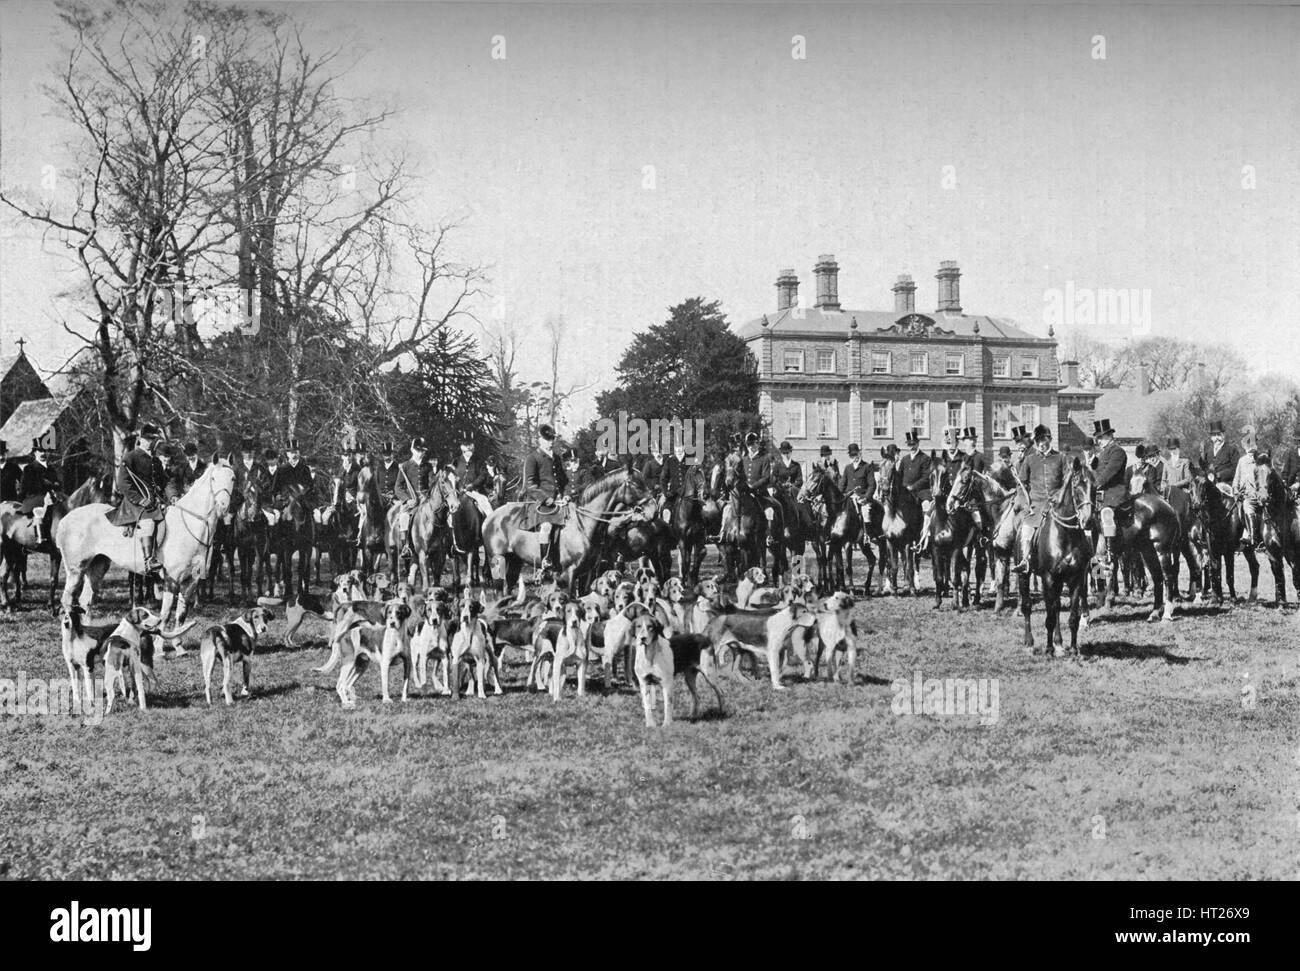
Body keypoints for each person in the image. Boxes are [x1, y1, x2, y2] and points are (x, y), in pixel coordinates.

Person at [108, 424, 167, 570]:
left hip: (154, 502)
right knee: (148, 523)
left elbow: (164, 482)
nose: (150, 442)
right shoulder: (130, 457)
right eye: (147, 439)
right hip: (135, 503)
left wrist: (172, 497)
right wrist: (140, 499)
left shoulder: (156, 461)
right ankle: (149, 560)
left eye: (153, 440)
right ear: (141, 439)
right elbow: (123, 484)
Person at [1012, 424, 1066, 573]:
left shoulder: (1061, 458)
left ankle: (1088, 565)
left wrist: (1060, 498)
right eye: (1038, 441)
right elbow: (1021, 484)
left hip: (1057, 506)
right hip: (1036, 506)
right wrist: (1024, 502)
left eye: (1044, 440)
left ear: (1050, 439)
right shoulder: (1030, 460)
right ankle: (1025, 561)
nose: (1041, 444)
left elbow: (1067, 482)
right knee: (1026, 531)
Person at [523, 423, 568, 578]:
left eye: (552, 439)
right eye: (547, 439)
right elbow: (529, 485)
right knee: (547, 527)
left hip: (559, 501)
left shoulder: (556, 457)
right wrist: (547, 499)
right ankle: (545, 563)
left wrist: (565, 494)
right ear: (539, 440)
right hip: (541, 503)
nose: (550, 442)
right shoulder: (533, 458)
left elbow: (563, 480)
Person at [1092, 418, 1128, 562]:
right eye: (1098, 438)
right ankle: (1098, 580)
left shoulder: (1118, 452)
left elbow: (1108, 473)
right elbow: (1098, 471)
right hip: (1100, 495)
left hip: (1114, 494)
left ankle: (1109, 551)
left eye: (1100, 438)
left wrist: (1094, 486)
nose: (1098, 441)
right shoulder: (1103, 452)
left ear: (1109, 436)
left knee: (1107, 514)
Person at [394, 437, 430, 556]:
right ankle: (406, 546)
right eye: (418, 450)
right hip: (411, 501)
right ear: (412, 450)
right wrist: (407, 499)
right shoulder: (405, 466)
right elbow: (398, 487)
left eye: (422, 451)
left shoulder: (428, 466)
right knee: (404, 517)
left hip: (426, 500)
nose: (420, 453)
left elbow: (432, 483)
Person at [898, 431, 932, 550]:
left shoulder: (925, 458)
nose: (911, 447)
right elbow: (899, 475)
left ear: (918, 443)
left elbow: (926, 477)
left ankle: (925, 534)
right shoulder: (904, 459)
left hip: (921, 492)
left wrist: (913, 487)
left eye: (913, 444)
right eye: (909, 444)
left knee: (926, 507)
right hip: (905, 492)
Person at [1232, 427, 1264, 549]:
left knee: (1248, 506)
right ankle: (1243, 535)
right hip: (1244, 495)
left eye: (1253, 444)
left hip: (1258, 496)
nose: (1250, 447)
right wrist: (1235, 489)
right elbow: (1237, 478)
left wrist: (1258, 492)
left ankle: (1255, 537)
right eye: (1248, 444)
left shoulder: (1261, 460)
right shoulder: (1242, 461)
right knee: (1238, 510)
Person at [451, 438, 494, 518]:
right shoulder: (456, 461)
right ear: (463, 450)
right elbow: (451, 474)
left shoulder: (478, 462)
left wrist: (473, 485)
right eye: (468, 450)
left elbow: (482, 475)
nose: (471, 452)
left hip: (475, 492)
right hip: (458, 492)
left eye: (472, 450)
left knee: (485, 505)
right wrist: (456, 483)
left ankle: (490, 522)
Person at [1198, 420, 1241, 494]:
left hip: (1226, 484)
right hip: (1210, 485)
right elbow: (1204, 468)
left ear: (1223, 435)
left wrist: (1219, 475)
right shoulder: (1207, 451)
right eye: (1214, 435)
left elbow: (1236, 469)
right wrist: (1201, 457)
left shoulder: (1231, 449)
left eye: (1219, 435)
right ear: (1211, 437)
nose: (1217, 438)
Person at [839, 443, 875, 520]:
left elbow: (872, 485)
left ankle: (866, 531)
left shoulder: (867, 467)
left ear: (859, 453)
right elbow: (842, 484)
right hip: (848, 497)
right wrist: (839, 495)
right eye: (851, 455)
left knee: (866, 515)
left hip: (861, 498)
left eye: (855, 454)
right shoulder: (847, 468)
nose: (854, 457)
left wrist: (866, 497)